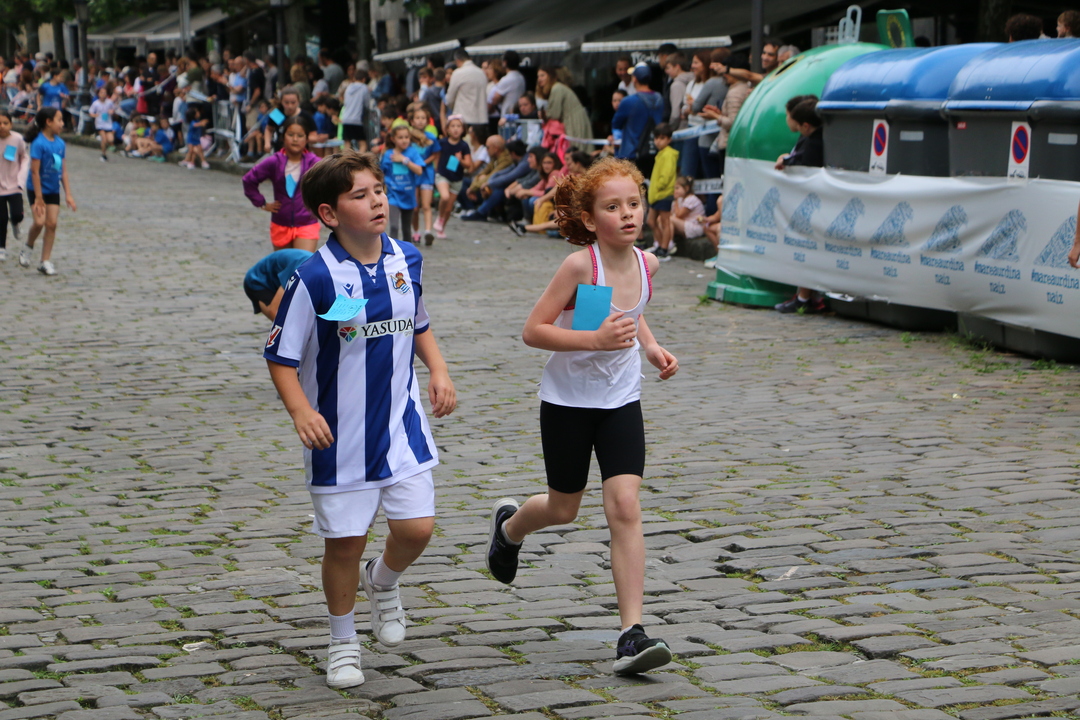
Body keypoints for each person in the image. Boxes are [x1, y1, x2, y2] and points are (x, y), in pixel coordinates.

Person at [265, 150, 456, 690]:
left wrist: (439, 370)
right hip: (339, 438)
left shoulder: (407, 258)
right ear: (329, 214)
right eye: (360, 195)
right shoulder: (313, 277)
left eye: (379, 191)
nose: (377, 202)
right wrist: (301, 411)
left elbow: (418, 321)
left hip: (400, 425)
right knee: (345, 544)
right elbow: (279, 356)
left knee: (417, 528)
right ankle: (343, 641)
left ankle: (384, 580)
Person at [485, 156, 678, 676]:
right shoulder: (580, 267)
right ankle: (509, 529)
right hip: (567, 404)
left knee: (625, 505)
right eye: (613, 207)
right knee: (563, 508)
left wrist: (651, 347)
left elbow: (632, 312)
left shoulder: (647, 264)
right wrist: (593, 339)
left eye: (634, 203)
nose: (628, 214)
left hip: (621, 402)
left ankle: (631, 634)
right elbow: (534, 330)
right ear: (591, 219)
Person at [773, 96, 826, 315]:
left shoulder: (815, 141)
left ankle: (805, 298)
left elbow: (806, 165)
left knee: (806, 248)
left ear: (804, 125)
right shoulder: (814, 138)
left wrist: (788, 161)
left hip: (810, 205)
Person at [243, 115, 322, 252]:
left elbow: (333, 184)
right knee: (284, 264)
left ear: (307, 138)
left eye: (300, 136)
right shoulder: (274, 161)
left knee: (303, 262)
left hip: (307, 223)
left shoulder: (314, 163)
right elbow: (249, 180)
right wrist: (262, 203)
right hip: (280, 223)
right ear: (283, 137)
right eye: (290, 135)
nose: (295, 139)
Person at [19, 107, 75, 276]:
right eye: (59, 120)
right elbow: (35, 172)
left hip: (52, 190)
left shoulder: (60, 144)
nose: (62, 124)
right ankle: (28, 246)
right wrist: (38, 197)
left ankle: (45, 261)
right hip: (37, 189)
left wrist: (68, 194)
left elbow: (62, 170)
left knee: (52, 224)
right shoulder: (39, 143)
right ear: (48, 122)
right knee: (39, 222)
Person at [701, 54, 753, 172]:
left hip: (729, 145)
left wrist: (715, 116)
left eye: (727, 71)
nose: (724, 75)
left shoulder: (735, 92)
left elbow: (733, 123)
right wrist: (719, 113)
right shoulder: (745, 88)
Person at [610, 65, 664, 175]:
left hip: (631, 154)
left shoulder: (628, 101)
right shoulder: (659, 99)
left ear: (634, 79)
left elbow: (616, 124)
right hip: (654, 151)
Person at [381, 125, 424, 241]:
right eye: (400, 137)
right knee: (394, 227)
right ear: (393, 139)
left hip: (408, 196)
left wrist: (404, 160)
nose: (404, 140)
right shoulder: (388, 154)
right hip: (393, 196)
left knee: (407, 230)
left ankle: (407, 251)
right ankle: (392, 250)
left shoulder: (412, 152)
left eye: (406, 137)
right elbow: (381, 174)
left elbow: (419, 170)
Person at [244, 248, 314, 320]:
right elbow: (274, 311)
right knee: (282, 319)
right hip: (258, 281)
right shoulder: (299, 273)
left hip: (282, 275)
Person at [537, 66, 593, 153]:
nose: (539, 79)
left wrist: (544, 114)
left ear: (550, 76)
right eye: (538, 76)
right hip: (573, 119)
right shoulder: (557, 88)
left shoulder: (557, 88)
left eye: (542, 75)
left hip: (574, 121)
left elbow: (555, 114)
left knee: (576, 151)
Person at [433, 115, 472, 239]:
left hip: (457, 179)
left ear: (463, 129)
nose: (455, 129)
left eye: (458, 126)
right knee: (444, 196)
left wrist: (460, 160)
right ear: (448, 129)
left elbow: (468, 164)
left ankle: (442, 228)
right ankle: (440, 218)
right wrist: (436, 169)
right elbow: (436, 156)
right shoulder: (442, 143)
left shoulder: (464, 146)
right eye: (453, 126)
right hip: (443, 175)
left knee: (449, 208)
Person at [407, 105, 440, 245]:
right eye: (417, 118)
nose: (420, 120)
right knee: (415, 207)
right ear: (412, 121)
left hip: (426, 173)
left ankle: (428, 231)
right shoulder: (408, 137)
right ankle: (415, 232)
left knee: (426, 205)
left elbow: (436, 154)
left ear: (427, 121)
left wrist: (424, 163)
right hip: (412, 174)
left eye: (423, 118)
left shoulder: (431, 137)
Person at [0, 110, 29, 263]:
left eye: (5, 123)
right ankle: (1, 248)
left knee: (17, 214)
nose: (2, 126)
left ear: (11, 124)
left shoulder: (17, 139)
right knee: (1, 218)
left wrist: (21, 178)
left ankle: (15, 223)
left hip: (14, 184)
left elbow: (24, 157)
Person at [646, 123, 678, 261]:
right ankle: (660, 245)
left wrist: (660, 186)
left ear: (669, 139)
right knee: (651, 221)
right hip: (656, 195)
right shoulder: (660, 154)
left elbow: (666, 174)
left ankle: (664, 249)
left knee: (665, 222)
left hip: (664, 193)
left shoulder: (669, 154)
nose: (658, 141)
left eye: (662, 138)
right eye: (656, 138)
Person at [444, 49, 487, 132]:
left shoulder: (458, 73)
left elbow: (449, 99)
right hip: (481, 118)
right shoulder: (481, 73)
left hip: (464, 119)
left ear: (457, 61)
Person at [340, 70, 370, 152]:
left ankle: (346, 159)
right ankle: (360, 159)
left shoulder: (348, 87)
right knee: (363, 144)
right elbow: (367, 104)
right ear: (364, 79)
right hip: (356, 119)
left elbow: (345, 102)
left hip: (346, 118)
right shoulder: (364, 88)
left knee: (347, 143)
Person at [491, 50, 526, 122]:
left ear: (505, 62)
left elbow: (495, 100)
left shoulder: (506, 79)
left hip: (507, 118)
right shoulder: (521, 78)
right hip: (519, 115)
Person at [671, 176, 705, 243]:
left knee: (669, 219)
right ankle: (660, 243)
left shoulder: (691, 199)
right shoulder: (680, 199)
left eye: (677, 188)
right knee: (661, 219)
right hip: (685, 224)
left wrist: (676, 201)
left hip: (695, 227)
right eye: (674, 188)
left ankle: (669, 244)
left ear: (686, 188)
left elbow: (679, 215)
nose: (675, 191)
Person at [664, 53, 693, 130]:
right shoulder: (694, 80)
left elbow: (675, 114)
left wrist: (670, 129)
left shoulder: (676, 85)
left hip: (680, 128)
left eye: (668, 68)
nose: (666, 71)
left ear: (677, 67)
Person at [88, 86, 116, 162]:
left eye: (104, 92)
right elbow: (91, 113)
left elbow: (114, 109)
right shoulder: (96, 103)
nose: (103, 94)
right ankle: (104, 154)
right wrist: (95, 115)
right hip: (99, 124)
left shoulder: (109, 102)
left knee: (110, 139)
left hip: (108, 123)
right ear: (98, 94)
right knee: (104, 139)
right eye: (101, 92)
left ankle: (109, 147)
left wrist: (112, 112)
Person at [181, 105, 210, 169]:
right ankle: (192, 161)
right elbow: (195, 125)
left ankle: (190, 161)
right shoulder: (193, 122)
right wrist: (201, 123)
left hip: (197, 138)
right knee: (191, 150)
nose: (198, 113)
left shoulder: (197, 121)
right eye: (197, 112)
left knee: (198, 150)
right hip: (191, 139)